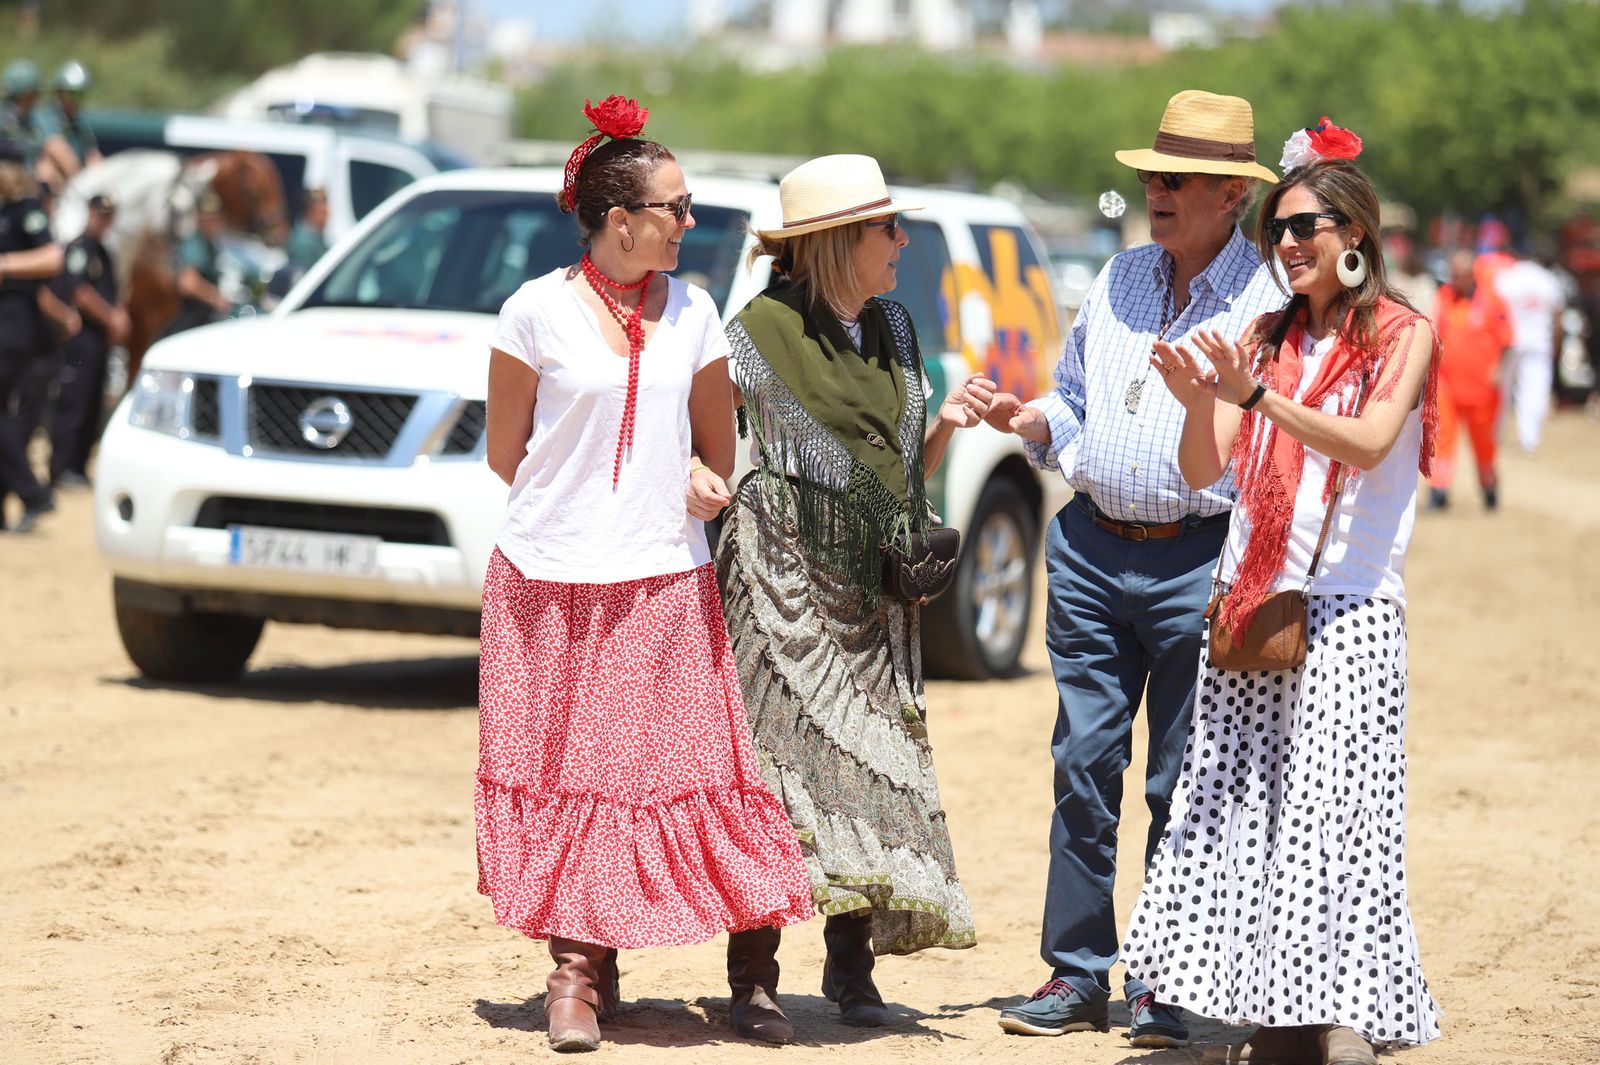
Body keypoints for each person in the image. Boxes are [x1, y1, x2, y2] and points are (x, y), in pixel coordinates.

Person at [474, 96, 812, 1054]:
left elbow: (718, 450)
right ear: (620, 220)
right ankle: (581, 977)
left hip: (662, 578)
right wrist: (586, 510)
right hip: (546, 578)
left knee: (649, 775)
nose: (690, 220)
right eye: (678, 204)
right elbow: (509, 453)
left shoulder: (698, 310)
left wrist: (707, 482)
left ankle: (661, 977)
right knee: (574, 779)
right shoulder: (531, 310)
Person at [1121, 120, 1442, 1065]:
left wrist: (1257, 401)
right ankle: (1280, 1015)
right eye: (1278, 231)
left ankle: (1333, 1014)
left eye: (1306, 226)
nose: (1289, 245)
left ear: (1357, 236)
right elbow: (1204, 467)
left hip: (1350, 607)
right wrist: (1197, 405)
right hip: (1259, 597)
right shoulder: (1265, 336)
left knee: (1329, 817)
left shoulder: (1401, 331)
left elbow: (1372, 441)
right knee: (1245, 809)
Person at [982, 90, 1286, 1047]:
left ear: (1231, 195)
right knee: (1083, 763)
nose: (1154, 190)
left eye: (1175, 178)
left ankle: (1164, 977)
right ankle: (1076, 975)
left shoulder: (1267, 302)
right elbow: (1073, 402)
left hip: (1202, 557)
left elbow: (1259, 450)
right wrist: (1032, 422)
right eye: (1151, 175)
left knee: (1179, 781)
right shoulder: (1114, 277)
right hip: (1087, 547)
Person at [717, 153, 991, 1037]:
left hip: (873, 587)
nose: (901, 242)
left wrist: (944, 425)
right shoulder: (755, 332)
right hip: (780, 578)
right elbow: (713, 447)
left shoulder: (897, 330)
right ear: (838, 242)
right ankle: (753, 974)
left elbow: (902, 475)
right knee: (776, 772)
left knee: (868, 768)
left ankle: (850, 965)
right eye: (886, 229)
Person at [0, 137, 62, 533]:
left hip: (15, 321)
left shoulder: (27, 211)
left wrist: (5, 264)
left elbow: (52, 257)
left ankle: (34, 494)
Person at [49, 193, 126, 488]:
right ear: (90, 214)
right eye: (100, 215)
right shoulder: (80, 249)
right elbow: (80, 294)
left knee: (92, 403)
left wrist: (117, 316)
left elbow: (112, 291)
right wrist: (112, 317)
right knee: (74, 401)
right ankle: (61, 467)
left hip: (99, 339)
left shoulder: (104, 252)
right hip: (80, 337)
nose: (103, 222)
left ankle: (78, 466)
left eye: (108, 217)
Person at [1428, 248, 1511, 510]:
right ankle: (1439, 491)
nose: (1458, 280)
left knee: (1483, 442)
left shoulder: (1492, 300)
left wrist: (1497, 368)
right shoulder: (1445, 296)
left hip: (1482, 388)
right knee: (1443, 439)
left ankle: (1489, 487)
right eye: (1454, 275)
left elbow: (1506, 338)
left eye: (1462, 275)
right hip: (1448, 384)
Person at [1492, 244, 1565, 453]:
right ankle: (1529, 439)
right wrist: (1556, 346)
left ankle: (1496, 433)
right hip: (1539, 342)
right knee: (1535, 390)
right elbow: (1558, 318)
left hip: (1509, 342)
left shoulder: (1506, 278)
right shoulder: (1548, 280)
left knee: (1502, 389)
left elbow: (1494, 313)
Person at [166, 192, 233, 335]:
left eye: (215, 218)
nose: (212, 223)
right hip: (190, 323)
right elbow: (188, 283)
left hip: (205, 320)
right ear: (198, 219)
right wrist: (217, 298)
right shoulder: (194, 244)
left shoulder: (212, 244)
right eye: (207, 218)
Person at [40, 61, 102, 184]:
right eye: (71, 94)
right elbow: (59, 152)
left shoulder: (80, 124)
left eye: (80, 94)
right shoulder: (44, 118)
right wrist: (83, 184)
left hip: (74, 187)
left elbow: (93, 157)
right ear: (59, 93)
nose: (75, 100)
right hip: (51, 191)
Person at [284, 187, 329, 282]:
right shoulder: (302, 244)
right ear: (310, 212)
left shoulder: (315, 237)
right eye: (322, 212)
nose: (328, 215)